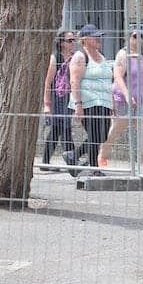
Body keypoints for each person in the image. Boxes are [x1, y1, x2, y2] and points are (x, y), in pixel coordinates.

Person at [99, 28, 143, 172]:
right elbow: (117, 76)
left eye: (141, 36)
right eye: (135, 36)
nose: (139, 39)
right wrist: (127, 94)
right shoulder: (123, 55)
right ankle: (102, 154)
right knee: (116, 130)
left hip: (142, 99)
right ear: (128, 38)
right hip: (123, 99)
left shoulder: (141, 56)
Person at [68, 24, 113, 177]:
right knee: (94, 136)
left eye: (100, 36)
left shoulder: (102, 56)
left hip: (104, 103)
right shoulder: (80, 56)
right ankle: (94, 168)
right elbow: (74, 81)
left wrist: (112, 102)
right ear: (85, 40)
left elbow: (107, 81)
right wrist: (78, 105)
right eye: (96, 36)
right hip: (88, 103)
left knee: (102, 136)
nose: (99, 39)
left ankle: (74, 155)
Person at [41, 30, 77, 172]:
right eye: (69, 40)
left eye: (73, 40)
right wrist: (47, 105)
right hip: (58, 98)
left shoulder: (75, 57)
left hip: (70, 97)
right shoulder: (55, 58)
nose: (73, 43)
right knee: (61, 129)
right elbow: (48, 83)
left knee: (59, 130)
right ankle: (72, 162)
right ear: (61, 43)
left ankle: (47, 162)